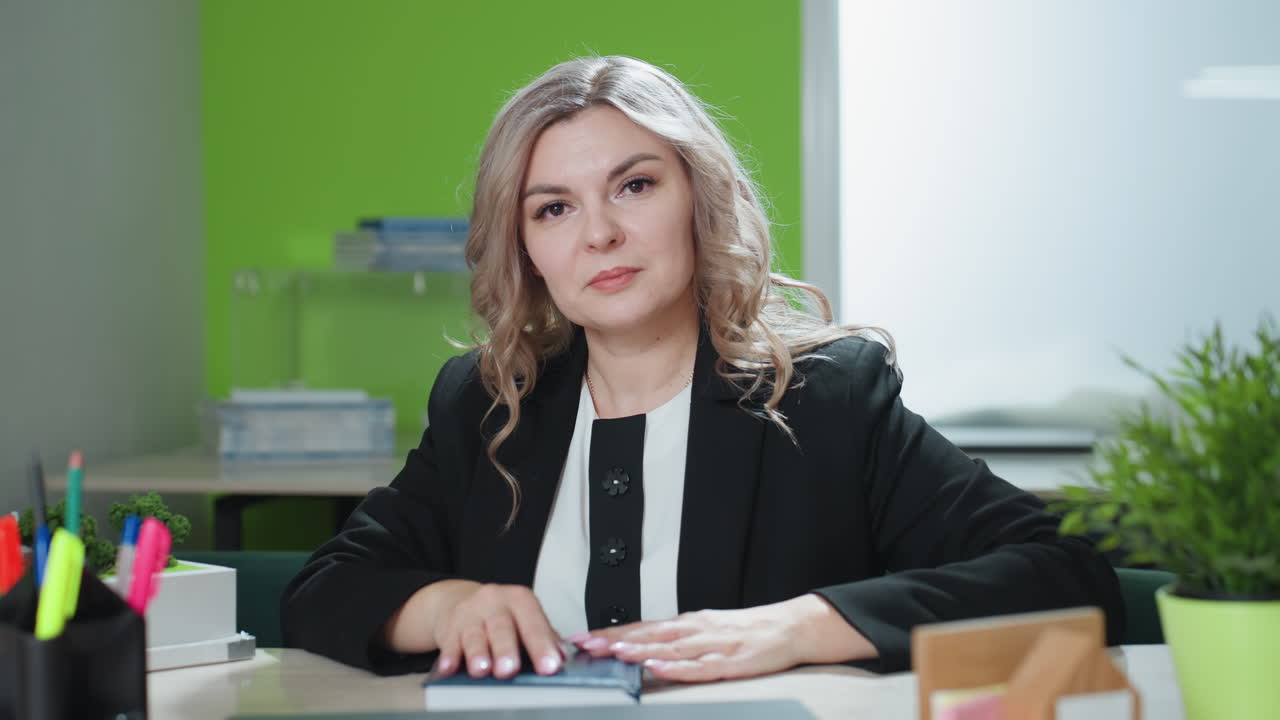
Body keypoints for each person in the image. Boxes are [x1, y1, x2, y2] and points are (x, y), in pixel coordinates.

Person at [280, 55, 1124, 681]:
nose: (599, 234)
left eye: (635, 186)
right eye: (554, 208)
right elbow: (325, 589)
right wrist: (449, 605)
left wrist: (805, 626)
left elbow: (1066, 577)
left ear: (699, 198)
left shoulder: (830, 396)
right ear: (527, 249)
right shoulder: (490, 403)